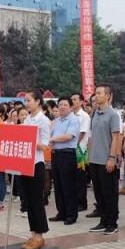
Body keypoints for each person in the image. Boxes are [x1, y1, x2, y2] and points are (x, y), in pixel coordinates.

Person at [88, 84, 122, 234]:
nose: (97, 96)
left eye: (100, 93)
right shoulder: (95, 113)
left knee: (110, 193)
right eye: (96, 93)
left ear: (108, 96)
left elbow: (116, 138)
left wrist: (112, 157)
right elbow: (91, 136)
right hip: (94, 160)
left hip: (106, 159)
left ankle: (112, 223)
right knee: (99, 193)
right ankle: (103, 220)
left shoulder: (113, 115)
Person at [21, 90, 51, 249]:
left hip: (36, 163)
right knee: (28, 202)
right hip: (25, 163)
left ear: (38, 101)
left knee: (36, 201)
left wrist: (29, 138)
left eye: (29, 100)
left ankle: (39, 236)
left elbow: (44, 144)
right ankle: (33, 233)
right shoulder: (27, 119)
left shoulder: (43, 120)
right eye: (25, 101)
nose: (26, 104)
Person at [48, 96, 81, 225]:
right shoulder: (56, 120)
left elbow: (68, 137)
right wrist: (50, 142)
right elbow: (50, 135)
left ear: (71, 107)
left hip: (67, 155)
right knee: (58, 185)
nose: (61, 107)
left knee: (68, 185)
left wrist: (52, 140)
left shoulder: (73, 120)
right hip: (56, 155)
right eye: (60, 104)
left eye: (65, 105)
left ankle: (71, 215)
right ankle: (61, 212)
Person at [70, 93, 91, 212]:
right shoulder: (71, 115)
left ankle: (82, 203)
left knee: (80, 179)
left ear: (82, 102)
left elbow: (82, 133)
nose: (72, 101)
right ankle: (74, 201)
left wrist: (72, 144)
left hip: (80, 151)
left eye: (75, 99)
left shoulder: (84, 116)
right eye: (71, 99)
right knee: (73, 178)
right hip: (71, 150)